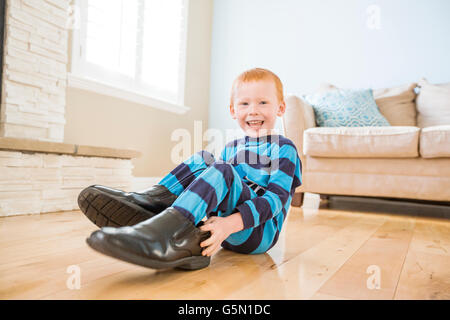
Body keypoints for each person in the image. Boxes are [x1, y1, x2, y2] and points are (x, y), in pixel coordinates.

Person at [79, 67, 302, 270]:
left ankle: (168, 232)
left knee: (222, 170)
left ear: (280, 108)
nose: (253, 111)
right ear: (233, 110)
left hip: (257, 234)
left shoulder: (284, 149)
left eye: (263, 103)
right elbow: (212, 196)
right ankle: (151, 204)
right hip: (220, 231)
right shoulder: (231, 148)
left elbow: (275, 201)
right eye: (245, 104)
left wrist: (229, 225)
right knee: (204, 159)